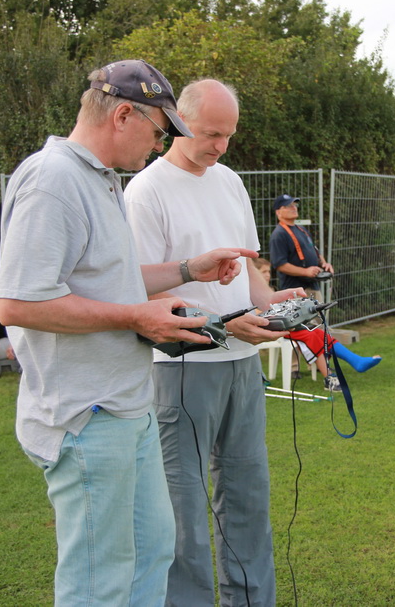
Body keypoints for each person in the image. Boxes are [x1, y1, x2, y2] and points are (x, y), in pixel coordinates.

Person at [0, 60, 257, 606]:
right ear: (122, 116)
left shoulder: (100, 178)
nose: (160, 146)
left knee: (152, 553)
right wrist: (136, 317)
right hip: (85, 415)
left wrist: (188, 269)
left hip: (127, 407)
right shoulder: (52, 179)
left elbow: (112, 279)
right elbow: (18, 303)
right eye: (159, 131)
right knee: (100, 579)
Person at [125, 79, 301, 607]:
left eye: (228, 136)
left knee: (248, 497)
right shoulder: (146, 191)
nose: (220, 146)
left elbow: (248, 273)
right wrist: (224, 323)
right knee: (182, 509)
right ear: (179, 121)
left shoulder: (230, 182)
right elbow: (141, 290)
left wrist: (273, 303)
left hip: (243, 363)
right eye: (210, 134)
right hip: (181, 369)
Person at [254, 257, 381, 390]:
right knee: (311, 336)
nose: (267, 275)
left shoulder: (271, 290)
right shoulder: (253, 294)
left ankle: (356, 361)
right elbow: (259, 315)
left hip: (289, 327)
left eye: (268, 271)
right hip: (276, 330)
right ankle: (329, 378)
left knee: (318, 332)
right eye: (263, 272)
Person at [269, 194, 334, 301]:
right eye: (288, 206)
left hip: (313, 287)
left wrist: (324, 264)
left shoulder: (301, 229)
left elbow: (314, 251)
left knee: (320, 312)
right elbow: (280, 264)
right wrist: (305, 272)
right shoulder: (279, 234)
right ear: (278, 212)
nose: (294, 208)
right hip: (295, 292)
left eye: (295, 205)